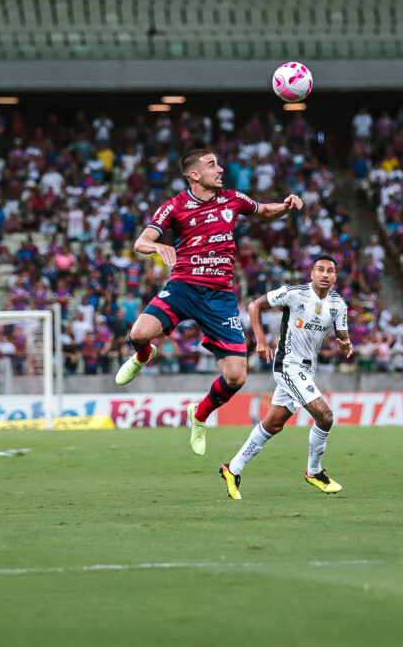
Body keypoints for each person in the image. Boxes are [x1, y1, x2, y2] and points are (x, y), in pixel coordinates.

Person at [114, 148, 304, 456]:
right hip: (184, 287)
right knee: (137, 334)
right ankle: (143, 355)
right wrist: (158, 246)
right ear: (194, 174)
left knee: (236, 376)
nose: (219, 169)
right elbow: (140, 242)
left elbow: (266, 212)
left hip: (220, 297)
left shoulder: (233, 199)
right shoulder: (175, 206)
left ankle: (199, 414)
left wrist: (286, 206)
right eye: (211, 164)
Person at [219, 256, 352, 499]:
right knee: (325, 416)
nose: (324, 274)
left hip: (308, 369)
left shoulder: (338, 304)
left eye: (330, 271)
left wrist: (345, 345)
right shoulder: (294, 293)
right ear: (311, 273)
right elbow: (253, 306)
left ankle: (232, 469)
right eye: (320, 269)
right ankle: (314, 472)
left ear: (335, 277)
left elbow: (343, 336)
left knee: (273, 425)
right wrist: (260, 341)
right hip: (288, 366)